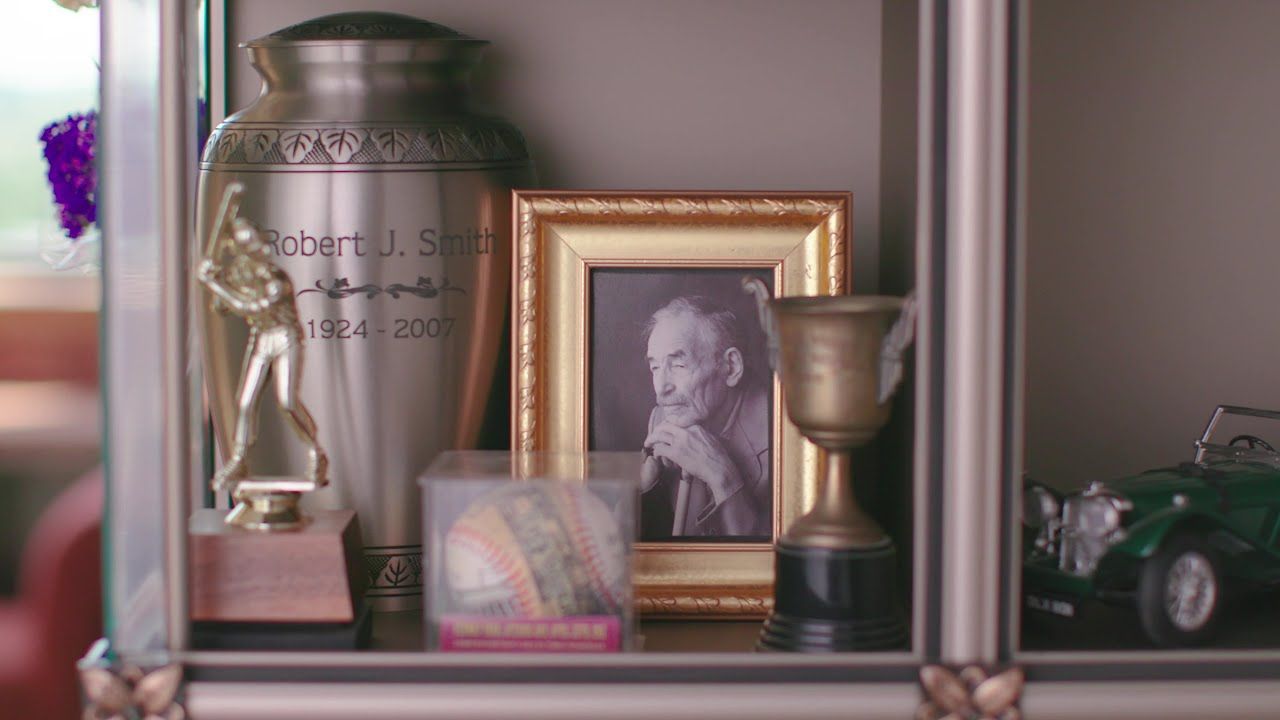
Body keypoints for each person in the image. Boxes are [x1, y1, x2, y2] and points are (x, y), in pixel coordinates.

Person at [197, 214, 328, 496]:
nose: (257, 246)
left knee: (287, 402)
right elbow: (222, 308)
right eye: (247, 243)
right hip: (261, 338)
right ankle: (238, 460)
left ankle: (315, 452)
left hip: (285, 337)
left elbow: (254, 307)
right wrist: (216, 277)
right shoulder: (241, 274)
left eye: (255, 240)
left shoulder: (276, 278)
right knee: (245, 403)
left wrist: (214, 284)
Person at [640, 295, 769, 539]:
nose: (661, 388)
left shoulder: (785, 438)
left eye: (678, 365)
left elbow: (775, 557)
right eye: (655, 367)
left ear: (731, 367)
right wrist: (645, 490)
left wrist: (724, 479)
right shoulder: (663, 418)